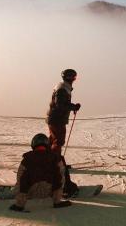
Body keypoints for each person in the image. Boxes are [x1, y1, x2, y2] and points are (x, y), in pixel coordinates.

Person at [9, 133, 72, 212]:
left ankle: (18, 196)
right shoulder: (55, 158)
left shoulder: (27, 159)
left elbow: (21, 180)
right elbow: (60, 178)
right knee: (59, 174)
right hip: (49, 192)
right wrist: (57, 201)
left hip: (31, 193)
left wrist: (19, 205)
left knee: (22, 178)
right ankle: (57, 200)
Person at [46, 68, 81, 196]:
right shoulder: (62, 88)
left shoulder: (63, 87)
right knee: (57, 142)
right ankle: (55, 165)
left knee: (53, 141)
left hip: (56, 119)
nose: (74, 80)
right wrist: (73, 107)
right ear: (70, 78)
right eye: (74, 77)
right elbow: (60, 104)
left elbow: (61, 103)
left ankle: (51, 162)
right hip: (57, 120)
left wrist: (72, 106)